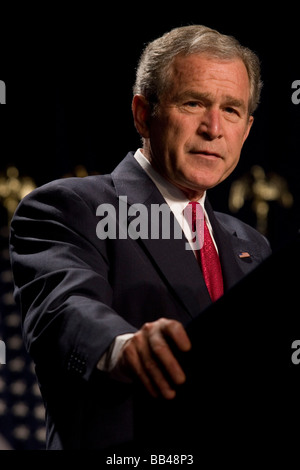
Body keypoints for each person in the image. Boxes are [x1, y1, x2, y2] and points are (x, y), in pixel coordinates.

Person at [10, 25, 271, 450]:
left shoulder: (251, 245)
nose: (213, 128)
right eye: (194, 103)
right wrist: (126, 345)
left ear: (247, 128)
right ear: (142, 113)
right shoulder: (70, 207)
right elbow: (64, 309)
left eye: (232, 110)